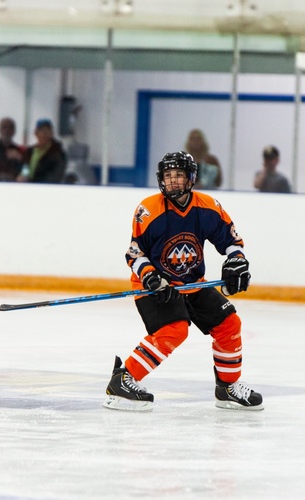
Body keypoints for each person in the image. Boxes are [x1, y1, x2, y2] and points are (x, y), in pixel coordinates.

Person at [103, 151, 263, 412]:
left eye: (179, 175)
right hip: (154, 285)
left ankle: (227, 387)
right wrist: (150, 276)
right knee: (175, 330)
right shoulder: (148, 210)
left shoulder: (208, 207)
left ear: (191, 178)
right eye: (168, 176)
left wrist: (237, 261)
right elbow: (134, 253)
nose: (173, 181)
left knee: (229, 323)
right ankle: (123, 379)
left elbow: (232, 243)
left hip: (193, 282)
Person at [17, 119, 67, 184]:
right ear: (36, 133)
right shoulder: (30, 151)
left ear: (52, 133)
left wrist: (31, 181)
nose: (45, 133)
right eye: (41, 130)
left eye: (47, 130)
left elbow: (55, 176)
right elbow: (26, 167)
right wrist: (23, 175)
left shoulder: (58, 153)